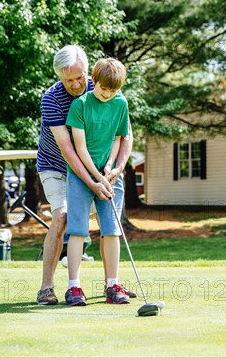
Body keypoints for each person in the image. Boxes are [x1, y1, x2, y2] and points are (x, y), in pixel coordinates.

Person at [36, 46, 133, 305]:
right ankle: (48, 287)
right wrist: (93, 181)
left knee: (108, 224)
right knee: (62, 216)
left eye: (80, 78)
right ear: (59, 78)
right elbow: (69, 150)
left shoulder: (105, 84)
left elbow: (124, 136)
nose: (76, 84)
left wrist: (115, 169)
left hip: (101, 167)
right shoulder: (52, 99)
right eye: (68, 80)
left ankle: (112, 284)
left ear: (88, 72)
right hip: (57, 166)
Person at [64, 57, 131, 306]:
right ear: (95, 81)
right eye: (104, 89)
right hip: (81, 176)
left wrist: (111, 167)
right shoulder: (79, 105)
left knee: (112, 230)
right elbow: (79, 148)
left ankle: (112, 284)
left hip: (110, 175)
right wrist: (96, 176)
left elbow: (118, 137)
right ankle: (74, 287)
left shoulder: (120, 103)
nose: (108, 94)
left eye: (113, 90)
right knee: (78, 230)